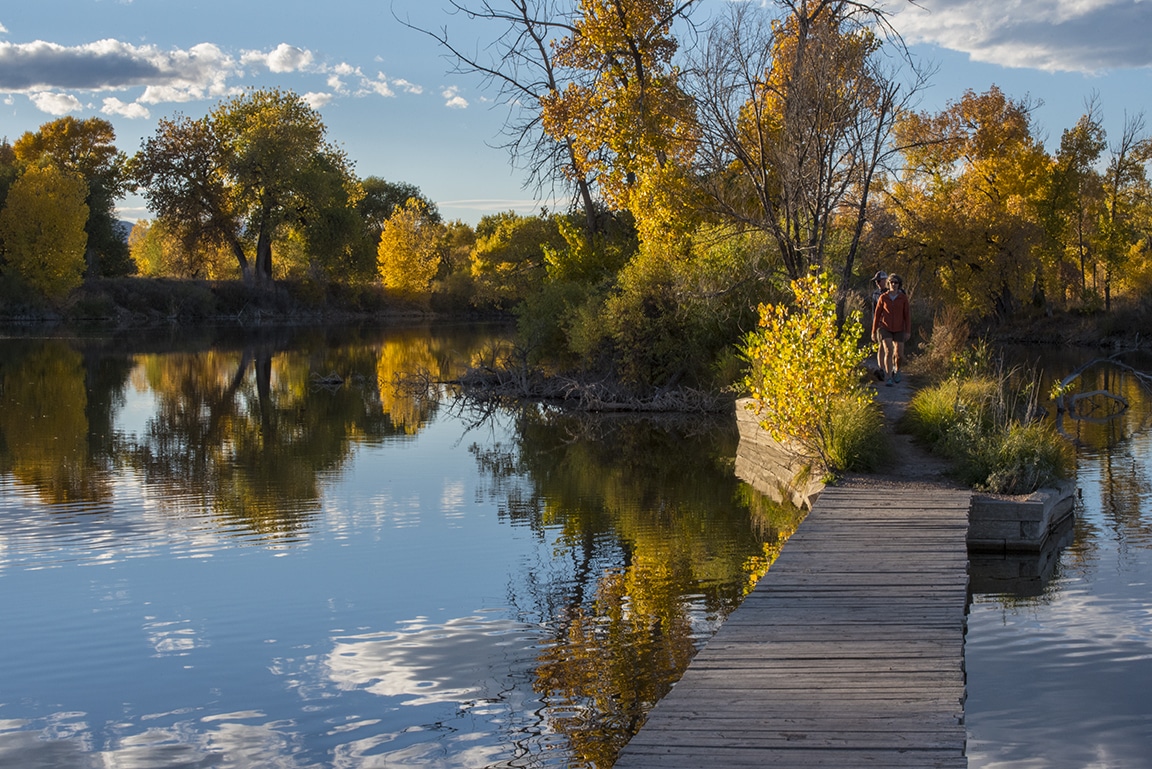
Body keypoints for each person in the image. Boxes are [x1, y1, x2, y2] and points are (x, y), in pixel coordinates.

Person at [871, 273, 910, 386]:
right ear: (888, 284)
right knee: (888, 351)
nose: (894, 284)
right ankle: (888, 376)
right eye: (891, 282)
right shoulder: (883, 297)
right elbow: (877, 315)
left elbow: (907, 315)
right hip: (885, 327)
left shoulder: (903, 298)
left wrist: (907, 331)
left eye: (896, 282)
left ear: (899, 284)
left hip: (899, 328)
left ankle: (897, 371)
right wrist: (874, 331)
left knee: (899, 354)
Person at [869, 271, 887, 380]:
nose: (877, 283)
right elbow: (874, 311)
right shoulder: (875, 294)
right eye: (876, 281)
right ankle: (881, 369)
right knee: (881, 346)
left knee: (891, 347)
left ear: (885, 281)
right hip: (880, 324)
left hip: (891, 323)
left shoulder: (892, 293)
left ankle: (891, 368)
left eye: (879, 281)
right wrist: (874, 326)